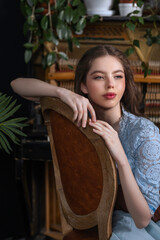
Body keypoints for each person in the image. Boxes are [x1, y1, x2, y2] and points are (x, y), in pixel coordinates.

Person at [11, 45, 160, 239]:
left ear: (125, 82)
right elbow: (17, 84)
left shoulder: (144, 133)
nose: (110, 85)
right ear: (83, 85)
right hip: (94, 219)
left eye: (117, 76)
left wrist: (121, 158)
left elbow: (142, 220)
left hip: (137, 227)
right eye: (99, 77)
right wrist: (62, 93)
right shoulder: (77, 120)